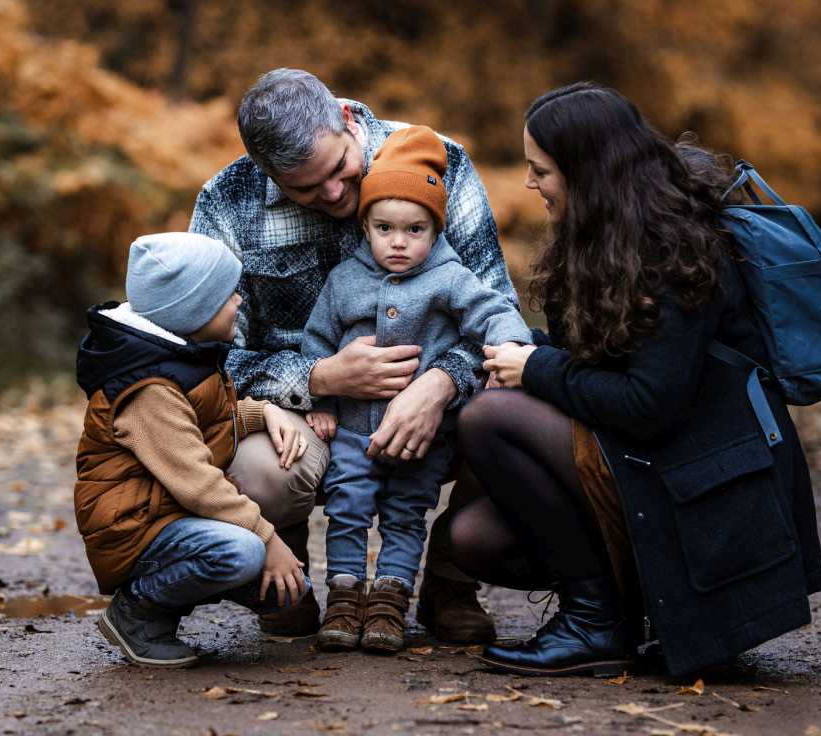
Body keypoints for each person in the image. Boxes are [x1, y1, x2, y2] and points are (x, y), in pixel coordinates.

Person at [449, 83, 821, 678]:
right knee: (475, 537)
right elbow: (607, 360)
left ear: (586, 171)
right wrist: (521, 353)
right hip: (662, 463)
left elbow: (649, 402)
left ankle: (597, 623)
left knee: (489, 418)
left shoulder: (674, 249)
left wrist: (537, 368)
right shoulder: (609, 235)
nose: (530, 184)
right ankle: (619, 611)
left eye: (540, 170)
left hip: (706, 488)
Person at [188, 68, 517, 642]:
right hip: (306, 414)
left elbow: (498, 312)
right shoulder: (228, 202)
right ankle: (284, 582)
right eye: (306, 190)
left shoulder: (440, 164)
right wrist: (318, 377)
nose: (335, 195)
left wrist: (438, 385)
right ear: (268, 173)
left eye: (340, 172)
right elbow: (208, 359)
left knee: (516, 406)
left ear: (346, 120)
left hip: (438, 399)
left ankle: (449, 580)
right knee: (258, 468)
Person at [300, 127, 531, 653]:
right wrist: (319, 400)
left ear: (434, 229)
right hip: (354, 432)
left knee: (406, 515)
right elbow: (317, 343)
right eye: (384, 228)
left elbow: (493, 312)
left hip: (423, 439)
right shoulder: (343, 280)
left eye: (414, 229)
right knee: (348, 508)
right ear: (366, 227)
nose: (398, 242)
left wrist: (511, 346)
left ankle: (390, 603)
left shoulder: (449, 277)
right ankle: (343, 598)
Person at [74, 232, 327, 668]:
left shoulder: (181, 355)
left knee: (288, 593)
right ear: (194, 310)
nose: (239, 301)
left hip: (161, 513)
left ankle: (166, 601)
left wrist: (260, 411)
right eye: (229, 294)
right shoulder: (148, 388)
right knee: (243, 554)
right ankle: (137, 612)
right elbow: (196, 482)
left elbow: (205, 419)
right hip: (133, 527)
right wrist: (269, 540)